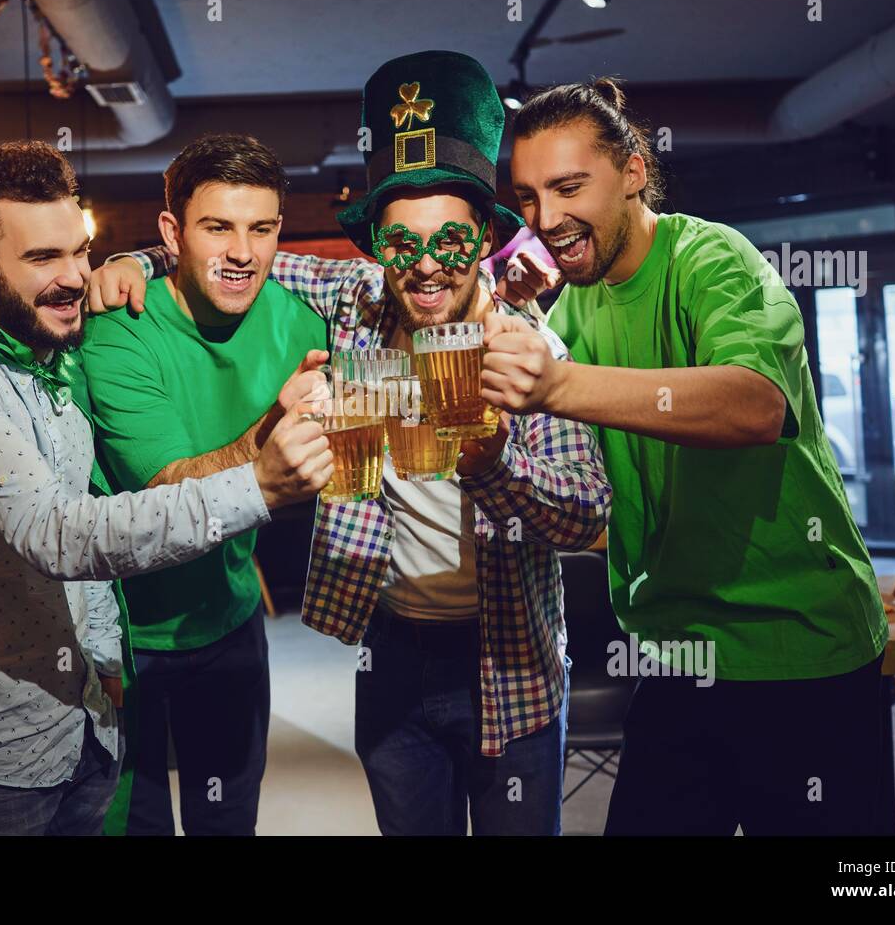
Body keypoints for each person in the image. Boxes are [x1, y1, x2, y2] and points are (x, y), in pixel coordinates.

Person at [91, 52, 611, 835]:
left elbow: (585, 520)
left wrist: (496, 465)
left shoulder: (529, 350)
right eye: (402, 245)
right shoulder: (355, 304)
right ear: (374, 248)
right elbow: (243, 259)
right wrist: (136, 258)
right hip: (391, 657)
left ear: (482, 243)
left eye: (450, 243)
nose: (427, 268)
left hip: (509, 664)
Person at [0, 140, 330, 835]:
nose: (74, 278)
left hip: (83, 719)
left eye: (79, 251)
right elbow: (61, 534)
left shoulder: (52, 352)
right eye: (42, 259)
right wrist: (258, 483)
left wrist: (104, 662)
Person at [480, 78, 890, 835]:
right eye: (529, 196)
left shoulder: (712, 259)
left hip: (793, 647)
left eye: (570, 187)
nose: (546, 218)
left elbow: (755, 405)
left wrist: (560, 381)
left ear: (634, 169)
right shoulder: (576, 298)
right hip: (673, 652)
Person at [79, 134, 329, 835]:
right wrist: (269, 437)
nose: (241, 252)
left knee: (228, 823)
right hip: (125, 639)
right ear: (173, 232)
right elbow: (168, 496)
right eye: (217, 227)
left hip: (230, 620)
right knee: (139, 826)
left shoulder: (306, 324)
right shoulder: (119, 329)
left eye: (260, 228)